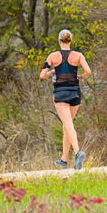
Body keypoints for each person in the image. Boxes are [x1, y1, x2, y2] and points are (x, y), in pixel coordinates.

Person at [39, 29, 92, 170]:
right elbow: (88, 71)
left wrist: (51, 72)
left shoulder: (53, 56)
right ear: (71, 40)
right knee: (67, 126)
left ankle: (77, 152)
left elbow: (42, 75)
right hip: (75, 93)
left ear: (59, 41)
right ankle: (63, 159)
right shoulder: (78, 56)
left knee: (68, 124)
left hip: (61, 94)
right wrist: (81, 77)